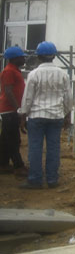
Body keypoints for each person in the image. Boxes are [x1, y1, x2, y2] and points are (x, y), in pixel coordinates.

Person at [19, 41, 72, 189]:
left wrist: (23, 116)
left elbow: (28, 98)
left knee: (35, 148)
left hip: (36, 116)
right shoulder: (63, 74)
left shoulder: (33, 74)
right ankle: (52, 179)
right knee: (54, 148)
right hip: (56, 116)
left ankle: (35, 180)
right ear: (54, 56)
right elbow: (68, 98)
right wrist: (68, 115)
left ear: (38, 56)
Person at [0, 46, 27, 176]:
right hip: (9, 110)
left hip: (10, 109)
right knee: (13, 139)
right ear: (15, 58)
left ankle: (3, 164)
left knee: (6, 139)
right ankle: (18, 166)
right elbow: (8, 91)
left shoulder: (14, 70)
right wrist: (18, 110)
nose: (24, 58)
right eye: (22, 56)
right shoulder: (9, 71)